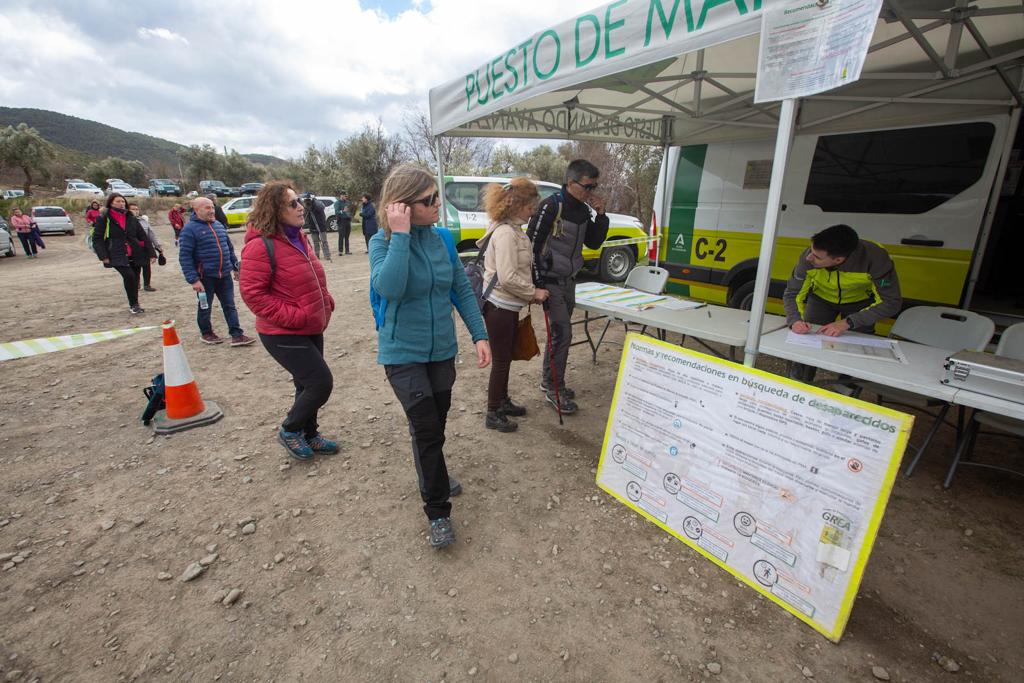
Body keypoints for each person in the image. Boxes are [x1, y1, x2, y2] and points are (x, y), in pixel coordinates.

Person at [369, 164, 491, 549]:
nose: (439, 203)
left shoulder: (442, 239)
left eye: (437, 195)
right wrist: (401, 237)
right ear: (401, 207)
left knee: (433, 426)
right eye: (429, 200)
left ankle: (431, 469)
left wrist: (479, 334)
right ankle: (437, 511)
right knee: (425, 428)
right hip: (402, 353)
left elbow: (461, 289)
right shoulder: (382, 242)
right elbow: (390, 288)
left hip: (442, 352)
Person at [239, 181, 338, 460]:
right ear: (274, 209)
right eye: (293, 203)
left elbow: (312, 276)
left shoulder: (299, 237)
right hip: (282, 332)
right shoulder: (260, 246)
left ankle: (310, 433)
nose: (300, 207)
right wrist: (295, 316)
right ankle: (290, 429)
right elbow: (253, 295)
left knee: (304, 384)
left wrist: (325, 300)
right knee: (320, 382)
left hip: (310, 326)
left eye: (299, 202)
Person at [526, 159, 609, 415]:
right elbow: (530, 244)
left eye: (595, 186)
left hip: (570, 280)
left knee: (560, 335)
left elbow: (594, 243)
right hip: (550, 282)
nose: (591, 191)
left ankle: (548, 381)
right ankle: (554, 388)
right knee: (563, 334)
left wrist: (601, 215)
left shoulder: (584, 209)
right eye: (588, 186)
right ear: (571, 183)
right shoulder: (551, 206)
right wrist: (538, 283)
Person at [783, 223, 903, 381]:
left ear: (838, 259)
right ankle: (798, 383)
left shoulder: (876, 258)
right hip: (821, 299)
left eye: (817, 257)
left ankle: (845, 390)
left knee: (857, 350)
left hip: (860, 304)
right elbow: (792, 293)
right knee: (806, 341)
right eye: (811, 251)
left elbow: (891, 302)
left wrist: (849, 322)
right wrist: (795, 320)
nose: (809, 258)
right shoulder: (808, 257)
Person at [477, 178, 549, 433]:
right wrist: (533, 293)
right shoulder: (506, 233)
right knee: (501, 361)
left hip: (505, 307)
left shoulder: (510, 229)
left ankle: (502, 402)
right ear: (518, 205)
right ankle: (493, 411)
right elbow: (507, 277)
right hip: (500, 307)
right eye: (531, 206)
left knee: (504, 358)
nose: (533, 211)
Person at [178, 196, 255, 346]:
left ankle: (236, 334)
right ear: (196, 210)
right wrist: (193, 279)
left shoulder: (219, 225)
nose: (212, 210)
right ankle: (206, 333)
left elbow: (229, 249)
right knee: (204, 306)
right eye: (207, 208)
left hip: (224, 274)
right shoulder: (189, 230)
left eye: (212, 207)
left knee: (229, 304)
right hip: (205, 277)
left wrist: (235, 267)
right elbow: (185, 256)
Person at [92, 193, 155, 314]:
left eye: (123, 201)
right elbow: (97, 238)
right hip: (116, 253)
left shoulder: (130, 217)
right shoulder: (104, 218)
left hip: (135, 252)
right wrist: (103, 256)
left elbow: (142, 235)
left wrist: (151, 252)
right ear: (111, 203)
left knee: (135, 278)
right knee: (129, 276)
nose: (121, 204)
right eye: (118, 201)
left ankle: (135, 304)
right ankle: (133, 304)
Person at [129, 203, 164, 292]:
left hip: (144, 247)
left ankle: (147, 285)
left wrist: (158, 246)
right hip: (132, 249)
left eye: (137, 209)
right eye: (133, 209)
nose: (135, 211)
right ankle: (136, 284)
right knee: (135, 268)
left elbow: (151, 235)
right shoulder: (126, 221)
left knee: (146, 267)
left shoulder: (144, 221)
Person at [302, 193, 331, 261]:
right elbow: (304, 214)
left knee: (324, 241)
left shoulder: (318, 203)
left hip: (321, 226)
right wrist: (306, 206)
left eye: (308, 200)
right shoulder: (306, 206)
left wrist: (313, 202)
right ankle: (316, 255)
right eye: (306, 200)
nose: (308, 201)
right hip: (312, 227)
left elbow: (321, 207)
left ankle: (327, 255)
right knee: (315, 242)